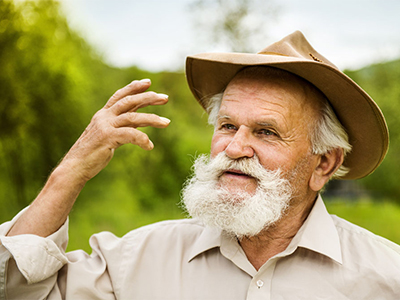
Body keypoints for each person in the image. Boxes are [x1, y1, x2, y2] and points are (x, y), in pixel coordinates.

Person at [0, 31, 399, 299]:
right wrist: (71, 170)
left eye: (266, 132)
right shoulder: (136, 260)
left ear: (324, 164)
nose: (235, 147)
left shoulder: (386, 277)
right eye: (227, 125)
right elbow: (17, 290)